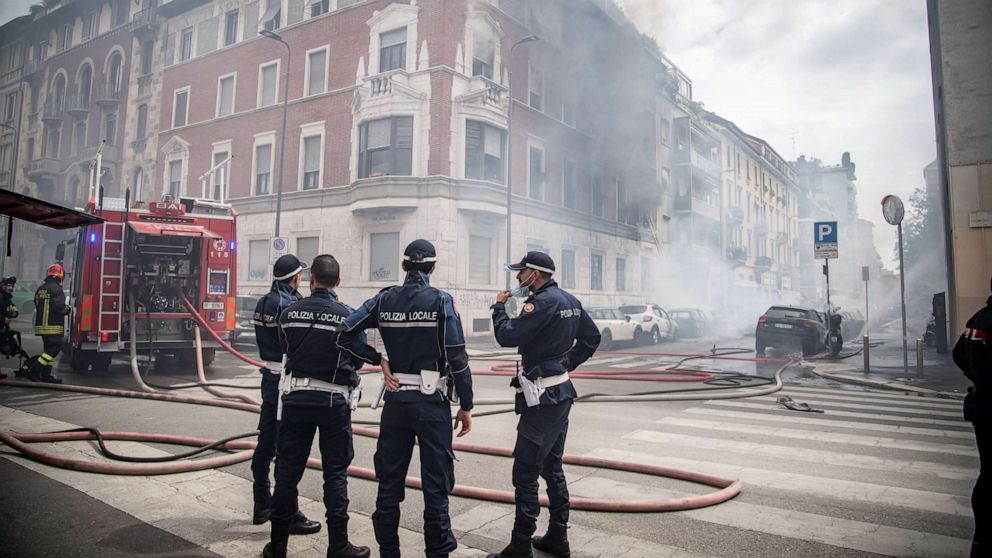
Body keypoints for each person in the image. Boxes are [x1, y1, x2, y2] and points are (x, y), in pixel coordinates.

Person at [336, 239, 474, 558]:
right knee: (436, 488)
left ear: (403, 267)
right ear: (433, 268)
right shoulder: (441, 300)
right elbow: (457, 357)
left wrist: (377, 358)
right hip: (432, 405)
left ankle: (389, 552)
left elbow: (343, 333)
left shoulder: (383, 300)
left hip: (396, 402)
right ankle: (437, 553)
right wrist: (466, 405)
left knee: (389, 484)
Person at [487, 251, 600, 558]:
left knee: (525, 472)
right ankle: (557, 537)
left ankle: (520, 545)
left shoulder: (541, 303)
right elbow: (592, 338)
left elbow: (506, 336)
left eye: (520, 273)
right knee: (552, 466)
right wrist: (564, 365)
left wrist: (498, 306)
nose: (517, 279)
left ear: (535, 274)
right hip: (560, 394)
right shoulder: (570, 301)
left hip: (542, 401)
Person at [263, 255, 371, 558]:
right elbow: (358, 359)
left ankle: (278, 546)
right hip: (334, 402)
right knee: (335, 473)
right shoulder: (348, 317)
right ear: (337, 282)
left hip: (296, 399)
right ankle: (338, 545)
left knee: (287, 472)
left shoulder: (288, 313)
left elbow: (285, 348)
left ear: (311, 280)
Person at [250, 254, 320, 536]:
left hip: (269, 377)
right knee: (287, 449)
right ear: (295, 277)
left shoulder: (263, 302)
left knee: (265, 442)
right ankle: (287, 512)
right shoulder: (290, 306)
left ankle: (261, 503)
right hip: (287, 380)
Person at [953, 275, 992, 558]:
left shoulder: (979, 318)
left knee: (988, 473)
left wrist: (977, 377)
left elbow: (958, 353)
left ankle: (981, 537)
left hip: (982, 406)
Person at [24, 264, 72, 384]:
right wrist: (69, 309)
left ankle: (46, 375)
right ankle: (34, 370)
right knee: (54, 349)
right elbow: (60, 307)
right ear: (60, 276)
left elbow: (36, 303)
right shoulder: (56, 289)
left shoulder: (41, 289)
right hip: (53, 326)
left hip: (41, 326)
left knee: (48, 351)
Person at [0, 276, 22, 379]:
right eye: (9, 285)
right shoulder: (0, 296)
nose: (11, 288)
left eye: (12, 286)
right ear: (3, 286)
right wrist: (3, 319)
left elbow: (12, 307)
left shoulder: (7, 296)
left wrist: (14, 313)